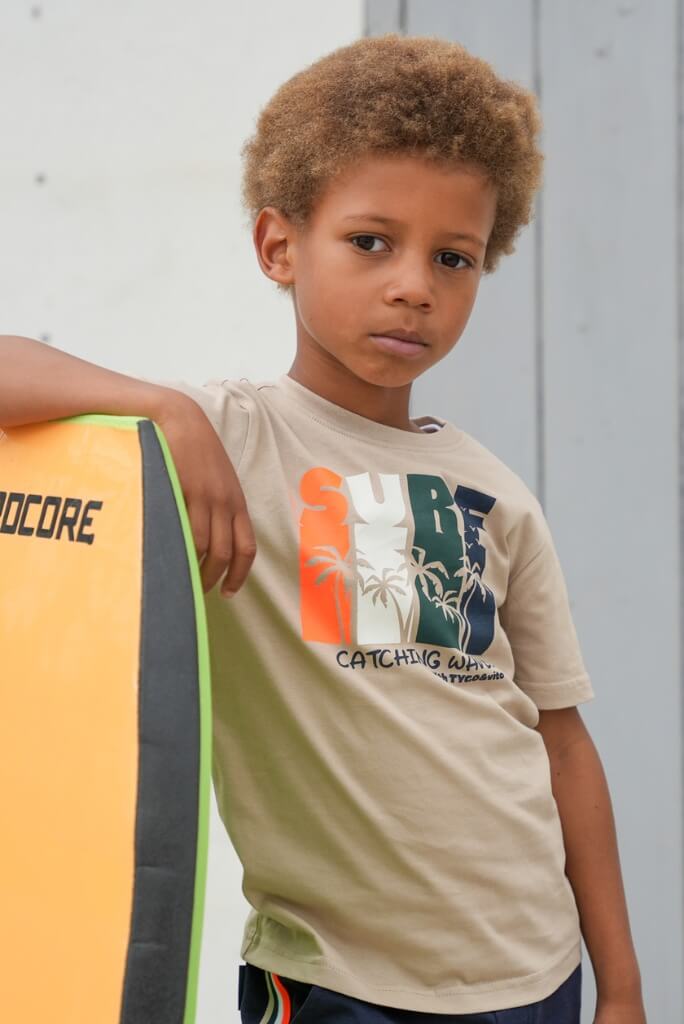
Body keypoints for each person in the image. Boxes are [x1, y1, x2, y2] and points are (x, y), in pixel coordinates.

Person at [0, 32, 646, 1024]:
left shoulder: (492, 491)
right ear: (278, 245)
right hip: (339, 982)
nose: (413, 285)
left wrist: (625, 984)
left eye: (454, 257)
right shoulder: (232, 438)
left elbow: (559, 741)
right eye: (371, 240)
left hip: (531, 970)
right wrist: (162, 409)